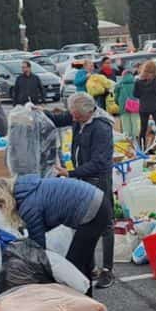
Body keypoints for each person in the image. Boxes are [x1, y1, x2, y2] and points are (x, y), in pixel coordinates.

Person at [0, 175, 110, 296]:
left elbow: (38, 248)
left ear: (5, 199)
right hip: (97, 200)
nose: (0, 209)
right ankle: (88, 301)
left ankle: (83, 305)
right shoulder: (27, 188)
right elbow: (49, 216)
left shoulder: (28, 206)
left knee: (74, 266)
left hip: (93, 210)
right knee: (83, 260)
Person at [46, 93, 116, 289]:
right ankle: (90, 266)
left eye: (76, 116)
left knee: (105, 224)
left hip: (98, 179)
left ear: (87, 112)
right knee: (84, 221)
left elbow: (99, 162)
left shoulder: (101, 127)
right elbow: (59, 119)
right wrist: (35, 112)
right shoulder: (78, 116)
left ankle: (107, 270)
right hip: (82, 177)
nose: (73, 119)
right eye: (73, 115)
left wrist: (71, 173)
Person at [135, 59, 156, 150]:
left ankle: (142, 148)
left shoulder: (138, 82)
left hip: (143, 107)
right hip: (155, 106)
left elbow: (135, 94)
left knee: (143, 129)